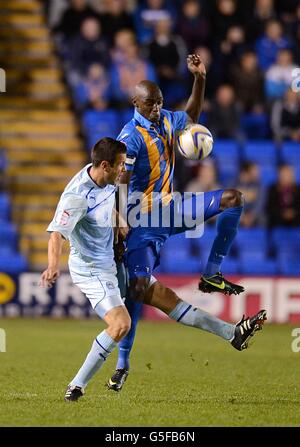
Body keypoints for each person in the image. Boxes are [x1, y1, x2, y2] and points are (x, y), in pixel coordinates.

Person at [107, 54, 267, 391]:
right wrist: (120, 218)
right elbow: (121, 182)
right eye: (150, 103)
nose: (157, 108)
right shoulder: (130, 137)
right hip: (143, 221)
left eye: (160, 101)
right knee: (137, 292)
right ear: (135, 102)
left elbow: (191, 116)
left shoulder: (165, 119)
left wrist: (200, 79)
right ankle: (122, 364)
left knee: (233, 199)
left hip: (172, 209)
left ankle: (211, 273)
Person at [40, 137, 131, 402]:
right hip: (91, 269)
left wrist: (118, 219)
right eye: (121, 165)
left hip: (107, 262)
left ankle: (106, 372)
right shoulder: (76, 197)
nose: (124, 170)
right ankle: (77, 385)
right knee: (120, 324)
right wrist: (52, 266)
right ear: (105, 165)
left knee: (131, 307)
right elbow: (56, 234)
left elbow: (103, 202)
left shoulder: (103, 179)